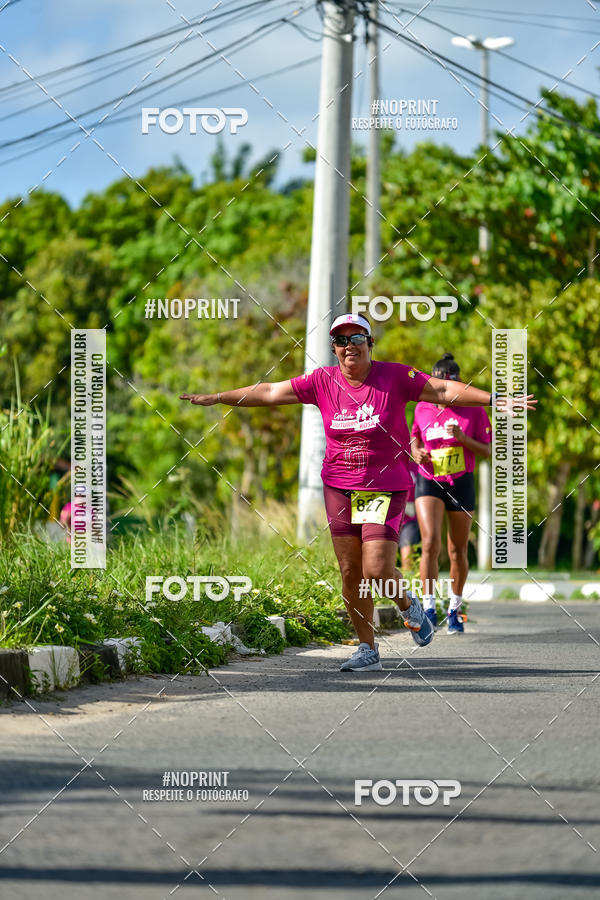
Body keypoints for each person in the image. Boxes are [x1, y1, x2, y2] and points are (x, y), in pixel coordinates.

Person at [181, 315, 536, 671]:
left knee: (377, 569)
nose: (349, 345)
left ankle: (409, 605)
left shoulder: (393, 377)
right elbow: (271, 392)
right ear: (334, 349)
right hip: (338, 485)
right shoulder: (322, 381)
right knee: (351, 571)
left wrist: (494, 399)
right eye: (341, 340)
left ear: (370, 343)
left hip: (382, 485)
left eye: (357, 338)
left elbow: (442, 390)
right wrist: (219, 398)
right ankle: (367, 649)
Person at [412, 352, 491, 634]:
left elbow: (488, 451)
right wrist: (416, 451)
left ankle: (455, 610)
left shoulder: (474, 409)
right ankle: (429, 608)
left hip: (461, 481)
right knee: (430, 542)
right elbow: (414, 437)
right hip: (429, 480)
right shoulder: (422, 407)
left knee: (457, 550)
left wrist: (462, 438)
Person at [398, 459, 421, 573]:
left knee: (407, 560)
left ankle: (407, 581)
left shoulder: (418, 467)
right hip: (389, 518)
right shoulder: (392, 463)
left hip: (409, 519)